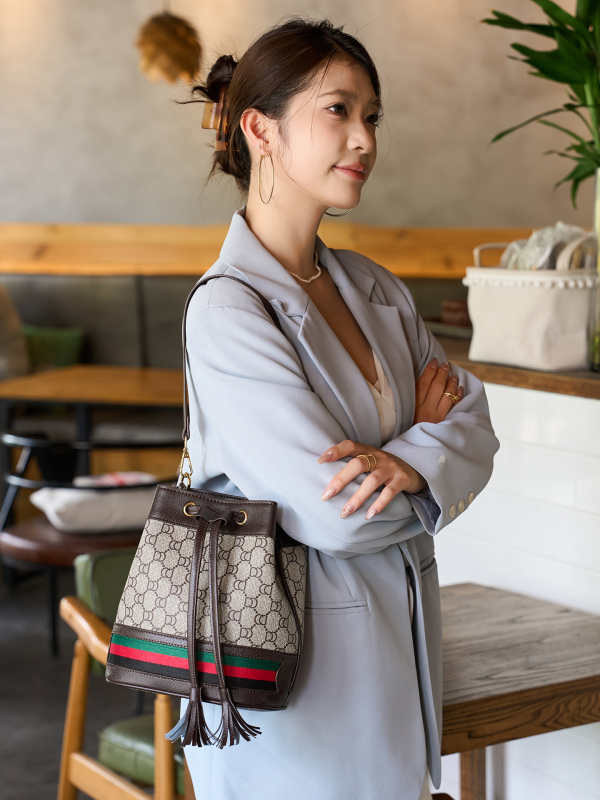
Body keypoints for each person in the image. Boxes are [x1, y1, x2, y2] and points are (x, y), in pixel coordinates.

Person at [181, 16, 500, 800]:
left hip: (398, 665)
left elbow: (478, 425)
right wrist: (427, 447)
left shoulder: (377, 289)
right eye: (339, 110)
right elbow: (341, 518)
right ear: (260, 128)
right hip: (292, 701)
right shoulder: (228, 312)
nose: (364, 138)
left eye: (372, 116)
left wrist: (409, 457)